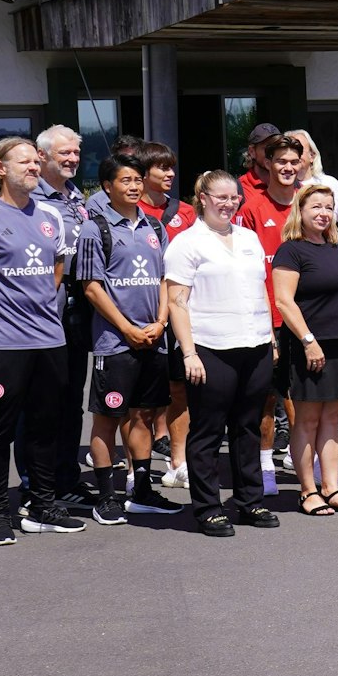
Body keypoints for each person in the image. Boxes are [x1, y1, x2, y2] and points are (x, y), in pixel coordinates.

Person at [0, 137, 81, 545]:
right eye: (24, 161)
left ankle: (41, 507)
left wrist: (36, 309)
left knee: (46, 427)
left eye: (35, 161)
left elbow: (56, 268)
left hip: (48, 341)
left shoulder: (50, 215)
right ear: (0, 168)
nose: (34, 167)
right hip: (1, 346)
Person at [164, 170, 281, 537]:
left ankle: (249, 501)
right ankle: (208, 508)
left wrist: (271, 338)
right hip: (211, 348)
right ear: (203, 197)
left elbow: (261, 288)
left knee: (248, 427)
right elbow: (176, 301)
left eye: (234, 197)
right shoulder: (187, 243)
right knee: (209, 431)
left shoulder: (248, 238)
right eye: (221, 197)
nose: (229, 203)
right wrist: (188, 352)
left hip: (255, 344)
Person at [75, 153, 179, 524]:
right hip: (115, 343)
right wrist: (126, 327)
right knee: (107, 417)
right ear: (107, 187)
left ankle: (143, 490)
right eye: (125, 181)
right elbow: (91, 287)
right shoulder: (95, 228)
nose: (134, 187)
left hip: (154, 339)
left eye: (137, 180)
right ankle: (106, 497)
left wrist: (162, 321)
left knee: (145, 415)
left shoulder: (155, 227)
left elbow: (166, 279)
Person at [272, 186, 338, 514]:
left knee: (333, 418)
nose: (323, 213)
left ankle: (331, 486)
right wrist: (308, 341)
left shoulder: (336, 247)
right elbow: (283, 301)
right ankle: (308, 491)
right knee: (308, 420)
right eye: (316, 207)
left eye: (328, 207)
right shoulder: (291, 251)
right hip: (308, 345)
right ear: (301, 211)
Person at [233, 130, 304, 494]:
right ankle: (264, 467)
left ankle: (308, 464)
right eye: (282, 161)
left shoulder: (309, 203)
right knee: (266, 396)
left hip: (306, 317)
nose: (289, 167)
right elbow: (243, 269)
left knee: (307, 394)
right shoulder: (251, 208)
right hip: (266, 317)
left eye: (295, 161)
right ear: (268, 163)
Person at [28, 123, 94, 509]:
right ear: (43, 156)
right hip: (45, 305)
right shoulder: (30, 197)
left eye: (75, 153)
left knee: (71, 398)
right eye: (63, 154)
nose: (72, 159)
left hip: (77, 305)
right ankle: (38, 486)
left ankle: (67, 480)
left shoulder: (74, 196)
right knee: (41, 400)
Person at [135, 140, 193, 489]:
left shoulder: (185, 212)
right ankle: (133, 469)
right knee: (140, 397)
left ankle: (178, 461)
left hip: (180, 310)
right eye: (162, 168)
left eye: (172, 167)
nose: (170, 173)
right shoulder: (131, 210)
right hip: (143, 313)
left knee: (180, 389)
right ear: (143, 174)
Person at [285, 129, 338, 235]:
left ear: (312, 155)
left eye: (298, 149)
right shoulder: (281, 187)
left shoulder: (330, 183)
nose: (294, 154)